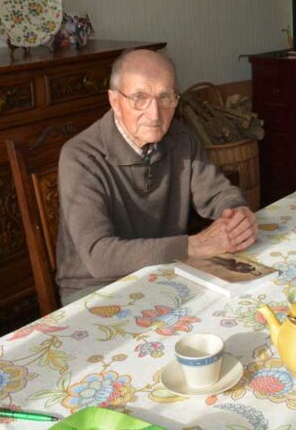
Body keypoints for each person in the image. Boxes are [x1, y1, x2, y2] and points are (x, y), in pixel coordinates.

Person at [56, 49, 258, 304]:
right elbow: (100, 256)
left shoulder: (181, 138)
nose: (155, 114)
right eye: (140, 97)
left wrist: (236, 214)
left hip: (165, 272)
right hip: (97, 291)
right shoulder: (81, 156)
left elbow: (219, 193)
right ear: (115, 101)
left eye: (165, 97)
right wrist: (194, 246)